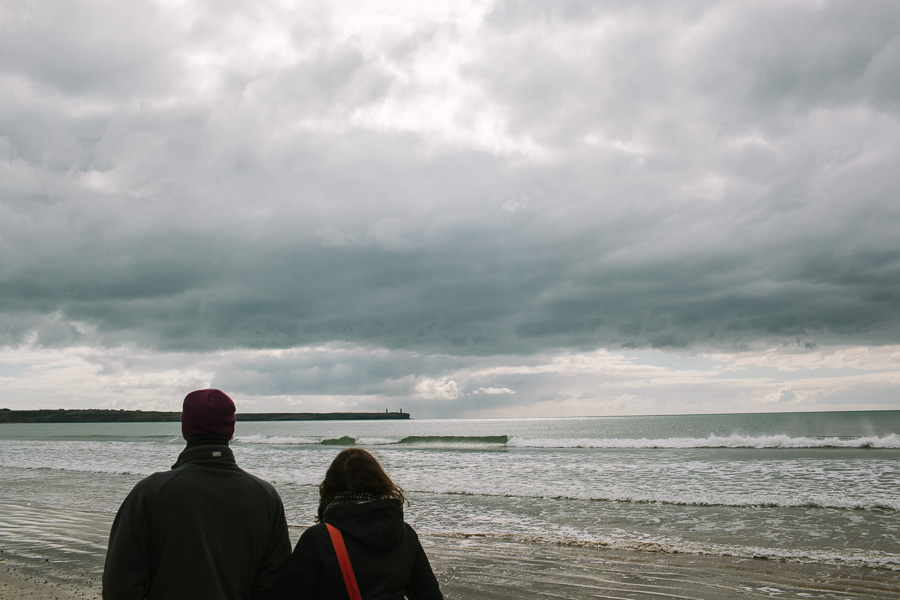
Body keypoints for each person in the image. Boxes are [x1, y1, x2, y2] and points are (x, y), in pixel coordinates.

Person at [102, 389, 292, 600]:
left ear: (186, 428)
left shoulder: (150, 492)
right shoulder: (266, 496)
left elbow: (119, 585)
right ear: (231, 430)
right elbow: (276, 585)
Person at [274, 447, 443, 599]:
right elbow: (430, 596)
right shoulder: (405, 534)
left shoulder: (319, 539)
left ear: (328, 488)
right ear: (380, 484)